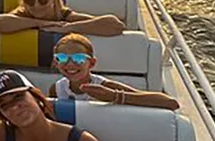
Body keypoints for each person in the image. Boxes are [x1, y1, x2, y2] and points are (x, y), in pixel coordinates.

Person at [48, 34, 180, 109]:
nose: (70, 63)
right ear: (56, 63)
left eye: (79, 58)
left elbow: (171, 103)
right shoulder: (57, 89)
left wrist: (114, 96)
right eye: (62, 58)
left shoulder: (105, 86)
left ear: (92, 63)